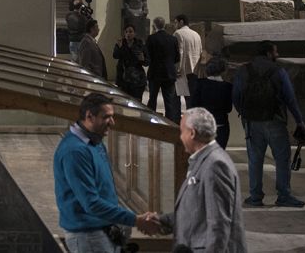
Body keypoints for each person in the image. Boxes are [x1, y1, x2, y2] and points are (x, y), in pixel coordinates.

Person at [138, 108, 245, 252]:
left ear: (192, 133)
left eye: (182, 132)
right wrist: (162, 220)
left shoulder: (216, 165)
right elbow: (195, 210)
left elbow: (219, 224)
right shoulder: (203, 160)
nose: (180, 137)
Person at [52, 92, 140, 252]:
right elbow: (91, 203)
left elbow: (104, 190)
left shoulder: (95, 142)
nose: (112, 122)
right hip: (89, 237)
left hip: (103, 231)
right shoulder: (75, 151)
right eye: (106, 117)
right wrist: (135, 220)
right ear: (89, 116)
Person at [233, 40, 305, 208]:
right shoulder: (278, 71)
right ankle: (284, 195)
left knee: (255, 160)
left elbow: (236, 96)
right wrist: (299, 121)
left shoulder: (243, 70)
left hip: (252, 123)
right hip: (275, 120)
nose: (277, 55)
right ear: (268, 53)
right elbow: (290, 98)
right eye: (275, 52)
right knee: (282, 159)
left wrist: (245, 115)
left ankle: (255, 197)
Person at [192, 58, 236, 148]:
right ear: (223, 70)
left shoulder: (199, 84)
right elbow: (228, 108)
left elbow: (193, 105)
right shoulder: (228, 87)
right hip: (221, 124)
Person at [146, 17, 181, 121]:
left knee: (152, 99)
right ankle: (168, 122)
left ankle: (150, 121)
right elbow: (177, 58)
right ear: (164, 25)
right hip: (169, 73)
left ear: (154, 25)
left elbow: (148, 56)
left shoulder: (151, 38)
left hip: (155, 73)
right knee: (169, 101)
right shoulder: (173, 39)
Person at [112, 24, 148, 102]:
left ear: (135, 33)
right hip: (123, 78)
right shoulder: (121, 43)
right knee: (123, 101)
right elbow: (115, 55)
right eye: (126, 32)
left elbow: (147, 62)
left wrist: (142, 59)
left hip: (137, 79)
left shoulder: (140, 44)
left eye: (131, 31)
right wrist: (120, 47)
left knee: (136, 102)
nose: (128, 34)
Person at [173, 14, 202, 107]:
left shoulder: (178, 33)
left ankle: (176, 120)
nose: (174, 25)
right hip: (195, 70)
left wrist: (177, 69)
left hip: (183, 70)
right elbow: (200, 52)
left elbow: (179, 52)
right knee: (191, 100)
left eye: (175, 22)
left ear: (181, 22)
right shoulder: (196, 34)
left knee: (175, 99)